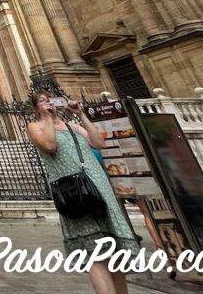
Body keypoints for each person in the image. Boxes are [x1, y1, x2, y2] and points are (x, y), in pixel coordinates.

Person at [27, 91, 139, 294]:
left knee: (115, 250)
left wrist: (81, 115)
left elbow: (99, 143)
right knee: (94, 252)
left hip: (98, 185)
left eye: (50, 100)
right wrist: (47, 118)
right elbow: (50, 146)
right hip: (73, 192)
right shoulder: (36, 127)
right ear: (36, 108)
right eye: (42, 101)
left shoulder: (74, 127)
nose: (48, 104)